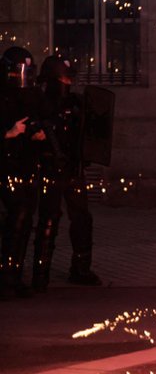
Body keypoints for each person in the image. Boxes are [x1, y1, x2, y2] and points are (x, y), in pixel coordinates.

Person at [31, 55, 101, 292]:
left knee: (82, 218)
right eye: (63, 77)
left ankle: (81, 269)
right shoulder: (41, 103)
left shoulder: (76, 103)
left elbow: (88, 133)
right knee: (49, 219)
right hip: (51, 169)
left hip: (73, 168)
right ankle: (40, 274)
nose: (67, 81)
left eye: (68, 77)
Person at [0, 46, 45, 299]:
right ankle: (7, 278)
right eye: (19, 72)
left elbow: (38, 119)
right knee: (14, 219)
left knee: (24, 220)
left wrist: (39, 134)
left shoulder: (31, 95)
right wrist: (8, 133)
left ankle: (14, 275)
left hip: (26, 165)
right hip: (5, 166)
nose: (22, 77)